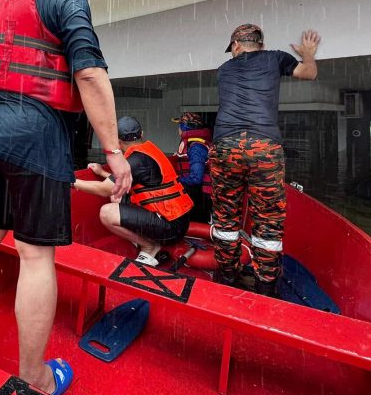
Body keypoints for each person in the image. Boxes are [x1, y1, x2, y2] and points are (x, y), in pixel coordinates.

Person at [0, 0, 131, 395]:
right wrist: (114, 152)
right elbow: (89, 74)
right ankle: (34, 376)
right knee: (34, 255)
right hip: (31, 125)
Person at [210, 24, 320, 297]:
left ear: (235, 45)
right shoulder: (275, 57)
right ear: (260, 42)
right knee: (267, 221)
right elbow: (309, 73)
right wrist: (308, 55)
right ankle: (266, 288)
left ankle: (226, 278)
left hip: (226, 146)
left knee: (226, 218)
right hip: (264, 147)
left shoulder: (224, 69)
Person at [74, 116, 193, 266]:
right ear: (141, 134)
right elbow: (126, 181)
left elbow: (103, 190)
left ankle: (149, 246)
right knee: (117, 197)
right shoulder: (148, 151)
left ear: (118, 141)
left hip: (170, 227)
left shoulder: (135, 160)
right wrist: (101, 172)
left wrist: (71, 181)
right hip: (178, 220)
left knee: (107, 212)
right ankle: (150, 240)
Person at [171, 111, 213, 222]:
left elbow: (196, 178)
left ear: (184, 127)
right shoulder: (192, 144)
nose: (178, 129)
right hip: (193, 193)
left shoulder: (196, 147)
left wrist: (176, 181)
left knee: (195, 224)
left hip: (199, 196)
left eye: (179, 126)